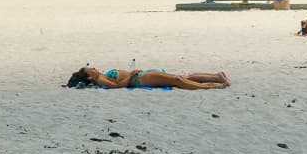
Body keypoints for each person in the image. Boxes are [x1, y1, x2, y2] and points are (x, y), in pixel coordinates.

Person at [66, 66, 230, 90]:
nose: (94, 68)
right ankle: (212, 86)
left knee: (178, 78)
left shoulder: (100, 76)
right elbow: (117, 87)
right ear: (89, 78)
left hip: (141, 76)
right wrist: (131, 74)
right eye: (91, 70)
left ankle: (215, 78)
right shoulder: (100, 80)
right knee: (177, 81)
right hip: (140, 79)